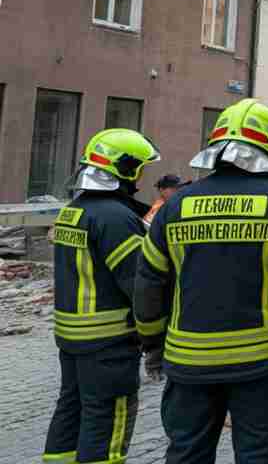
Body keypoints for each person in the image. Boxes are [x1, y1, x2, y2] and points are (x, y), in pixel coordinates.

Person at [134, 99, 268, 463]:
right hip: (260, 364)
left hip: (187, 362)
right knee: (258, 453)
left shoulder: (175, 207)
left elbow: (148, 282)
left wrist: (151, 344)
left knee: (187, 453)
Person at [43, 129, 161, 464]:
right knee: (106, 423)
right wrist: (156, 334)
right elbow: (140, 284)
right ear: (124, 169)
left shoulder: (73, 211)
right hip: (109, 344)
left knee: (70, 411)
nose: (141, 177)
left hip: (71, 339)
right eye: (139, 169)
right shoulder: (116, 218)